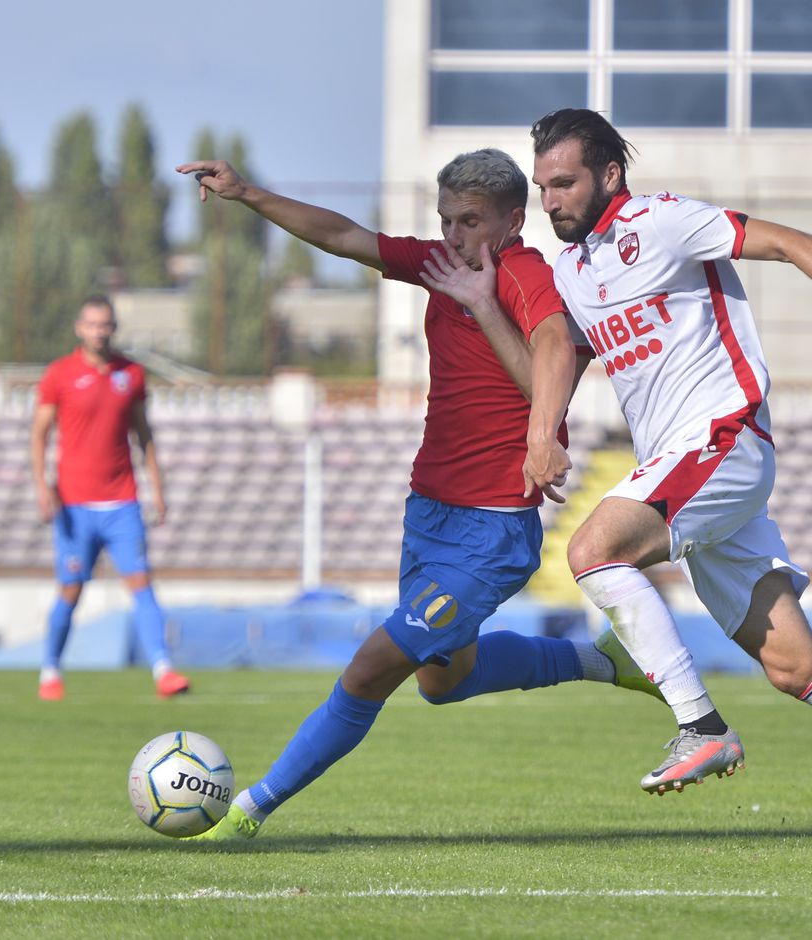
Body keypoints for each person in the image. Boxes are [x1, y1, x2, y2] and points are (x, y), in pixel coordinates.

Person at [430, 109, 812, 848]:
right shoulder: (574, 271)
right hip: (687, 467)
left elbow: (789, 241)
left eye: (565, 182)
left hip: (723, 438)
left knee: (591, 550)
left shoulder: (665, 222)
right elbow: (551, 375)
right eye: (543, 187)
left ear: (610, 175)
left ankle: (700, 725)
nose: (551, 201)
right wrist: (493, 329)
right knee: (796, 668)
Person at [172, 148, 662, 842]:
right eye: (446, 220)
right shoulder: (443, 265)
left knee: (373, 668)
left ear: (511, 221)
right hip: (428, 516)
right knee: (442, 680)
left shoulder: (523, 274)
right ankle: (601, 659)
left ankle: (249, 811)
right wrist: (249, 194)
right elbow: (344, 238)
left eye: (469, 221)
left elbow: (552, 346)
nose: (455, 236)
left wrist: (543, 432)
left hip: (491, 533)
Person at [30, 295, 190, 700]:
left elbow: (143, 433)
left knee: (141, 582)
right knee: (71, 590)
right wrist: (42, 485)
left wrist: (157, 485)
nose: (98, 331)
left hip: (122, 501)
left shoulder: (131, 374)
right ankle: (50, 670)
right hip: (75, 503)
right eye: (92, 324)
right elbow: (40, 433)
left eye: (105, 325)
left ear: (113, 329)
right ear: (78, 328)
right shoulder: (59, 375)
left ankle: (163, 670)